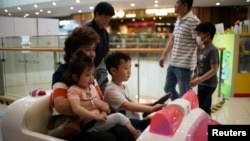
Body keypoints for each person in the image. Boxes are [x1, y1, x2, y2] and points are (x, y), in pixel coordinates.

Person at [50, 27, 134, 141]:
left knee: (122, 129)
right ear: (73, 51)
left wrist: (103, 109)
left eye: (93, 49)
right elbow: (61, 106)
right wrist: (95, 104)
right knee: (107, 138)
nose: (92, 54)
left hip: (93, 119)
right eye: (87, 49)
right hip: (73, 125)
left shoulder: (89, 71)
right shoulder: (63, 72)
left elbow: (100, 100)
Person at [62, 51, 141, 139]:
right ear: (75, 77)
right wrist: (95, 116)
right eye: (87, 75)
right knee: (118, 117)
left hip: (99, 120)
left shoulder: (92, 87)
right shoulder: (74, 90)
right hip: (89, 124)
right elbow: (76, 108)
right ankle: (136, 134)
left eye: (92, 74)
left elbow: (101, 105)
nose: (91, 78)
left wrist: (103, 113)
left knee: (121, 128)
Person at [104, 51, 165, 132]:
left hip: (135, 120)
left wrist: (152, 105)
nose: (129, 71)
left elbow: (134, 104)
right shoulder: (111, 90)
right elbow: (128, 105)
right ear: (113, 71)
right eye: (126, 68)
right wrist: (151, 109)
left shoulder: (125, 87)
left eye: (130, 68)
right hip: (127, 124)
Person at [158, 0, 200, 100]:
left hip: (185, 66)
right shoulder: (179, 19)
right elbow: (173, 39)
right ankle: (180, 107)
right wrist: (163, 55)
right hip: (173, 63)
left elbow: (199, 44)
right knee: (168, 88)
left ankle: (185, 113)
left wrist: (197, 65)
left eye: (177, 3)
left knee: (184, 95)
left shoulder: (193, 21)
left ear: (185, 5)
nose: (174, 5)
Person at [84, 1, 115, 94]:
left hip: (101, 72)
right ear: (97, 14)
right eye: (105, 16)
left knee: (106, 96)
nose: (107, 20)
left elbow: (106, 53)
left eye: (109, 17)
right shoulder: (86, 30)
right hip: (87, 72)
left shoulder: (105, 32)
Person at [189, 22, 219, 115]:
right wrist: (193, 77)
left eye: (199, 34)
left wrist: (198, 80)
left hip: (208, 84)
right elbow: (199, 65)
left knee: (201, 107)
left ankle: (205, 125)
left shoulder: (212, 50)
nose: (198, 37)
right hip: (203, 83)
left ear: (207, 35)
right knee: (205, 107)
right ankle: (207, 125)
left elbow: (214, 69)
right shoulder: (203, 49)